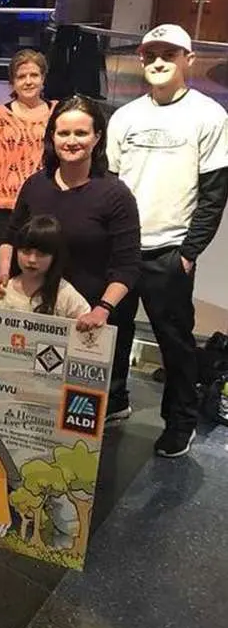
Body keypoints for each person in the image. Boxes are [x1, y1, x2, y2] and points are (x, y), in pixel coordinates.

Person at [106, 24, 228, 457]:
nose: (159, 62)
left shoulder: (209, 116)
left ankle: (181, 422)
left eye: (169, 54)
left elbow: (214, 193)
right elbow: (113, 185)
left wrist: (189, 252)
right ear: (141, 60)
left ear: (187, 60)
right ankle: (114, 401)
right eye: (151, 54)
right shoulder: (125, 117)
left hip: (169, 253)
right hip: (122, 251)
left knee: (174, 343)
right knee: (112, 333)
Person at [0, 95, 140, 335]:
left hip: (91, 320)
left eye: (81, 133)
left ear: (97, 137)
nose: (71, 141)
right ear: (52, 136)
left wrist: (102, 309)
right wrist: (4, 276)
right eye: (63, 133)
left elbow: (128, 266)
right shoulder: (35, 185)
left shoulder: (116, 195)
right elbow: (10, 238)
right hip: (34, 318)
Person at [0, 49, 55, 290]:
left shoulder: (56, 113)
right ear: (12, 82)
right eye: (21, 76)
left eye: (34, 75)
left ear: (43, 78)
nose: (28, 81)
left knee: (37, 269)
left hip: (41, 205)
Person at [0, 215, 90, 319]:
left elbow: (87, 321)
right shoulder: (2, 291)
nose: (32, 260)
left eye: (41, 254)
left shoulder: (65, 294)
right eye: (26, 252)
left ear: (54, 257)